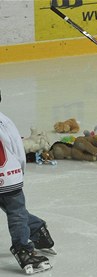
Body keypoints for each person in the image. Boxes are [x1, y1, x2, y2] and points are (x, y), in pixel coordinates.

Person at [0, 91, 56, 274]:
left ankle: (23, 248)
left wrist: (17, 173)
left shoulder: (3, 123)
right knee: (16, 211)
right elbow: (18, 147)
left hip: (7, 175)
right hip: (10, 176)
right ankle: (37, 229)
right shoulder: (5, 121)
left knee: (15, 212)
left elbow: (15, 147)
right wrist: (20, 171)